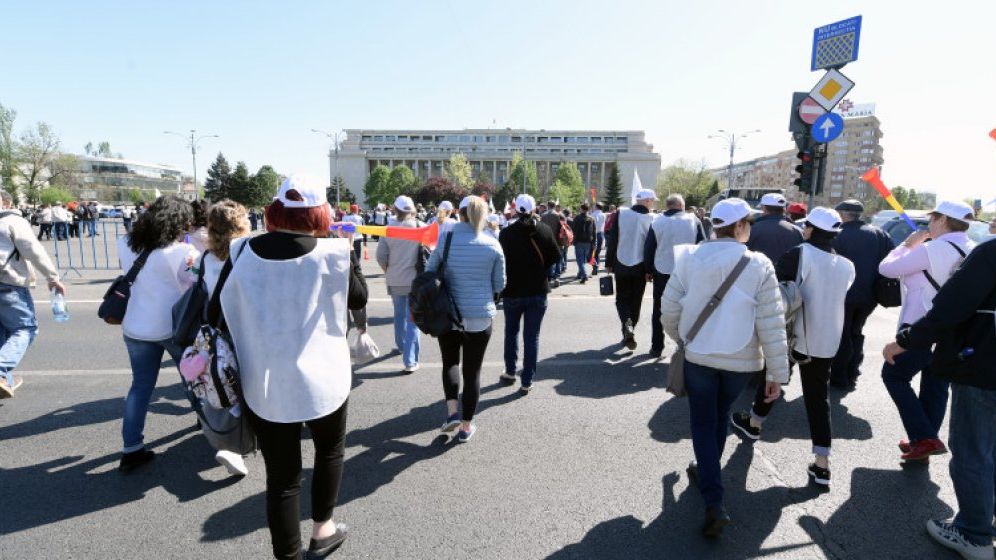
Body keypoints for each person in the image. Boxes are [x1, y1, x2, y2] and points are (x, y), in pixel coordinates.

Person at [220, 174, 368, 560]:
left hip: (264, 378)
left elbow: (214, 310)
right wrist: (349, 253)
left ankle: (287, 554)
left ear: (273, 210)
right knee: (329, 451)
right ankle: (323, 529)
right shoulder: (334, 251)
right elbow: (359, 298)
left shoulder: (241, 251)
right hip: (324, 376)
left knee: (282, 477)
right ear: (320, 213)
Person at [660, 197, 789, 537]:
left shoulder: (689, 257)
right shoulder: (760, 264)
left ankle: (713, 498)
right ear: (741, 226)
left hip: (699, 357)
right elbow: (772, 324)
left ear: (715, 225)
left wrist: (683, 338)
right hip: (741, 362)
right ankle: (708, 476)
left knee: (704, 423)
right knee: (720, 417)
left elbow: (669, 309)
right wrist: (777, 374)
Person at [882, 237, 996, 560]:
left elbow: (949, 307)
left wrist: (906, 340)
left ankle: (974, 534)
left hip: (984, 366)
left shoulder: (989, 253)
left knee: (974, 452)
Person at [730, 207, 854, 487]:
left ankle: (754, 423)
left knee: (773, 375)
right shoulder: (847, 264)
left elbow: (774, 289)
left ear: (810, 229)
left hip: (795, 334)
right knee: (818, 398)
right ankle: (822, 464)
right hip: (828, 339)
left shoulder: (800, 253)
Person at [878, 201, 976, 462]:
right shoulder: (974, 249)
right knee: (936, 384)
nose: (929, 223)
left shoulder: (931, 249)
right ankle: (923, 442)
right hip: (955, 331)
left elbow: (886, 268)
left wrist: (908, 244)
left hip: (920, 327)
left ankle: (924, 437)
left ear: (943, 220)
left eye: (932, 219)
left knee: (894, 375)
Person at [115, 195, 199, 472]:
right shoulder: (182, 253)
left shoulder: (124, 243)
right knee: (193, 378)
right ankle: (207, 424)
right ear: (177, 222)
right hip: (173, 327)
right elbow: (195, 285)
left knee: (140, 388)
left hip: (136, 326)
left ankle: (131, 447)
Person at [426, 195, 505, 442]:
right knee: (473, 373)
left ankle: (452, 413)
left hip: (448, 313)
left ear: (459, 213)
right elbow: (499, 283)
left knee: (450, 362)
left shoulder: (446, 238)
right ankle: (466, 427)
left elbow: (430, 270)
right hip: (480, 315)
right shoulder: (492, 243)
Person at [194, 199, 253, 476]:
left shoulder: (206, 258)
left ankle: (227, 440)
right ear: (241, 224)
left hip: (216, 328)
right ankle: (235, 447)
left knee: (222, 384)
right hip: (243, 327)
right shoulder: (246, 253)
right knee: (245, 386)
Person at [0, 190, 66, 398]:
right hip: (7, 281)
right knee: (25, 328)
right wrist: (52, 277)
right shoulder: (11, 220)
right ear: (7, 202)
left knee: (2, 331)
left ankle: (6, 380)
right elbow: (32, 248)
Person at [830, 199, 894, 390]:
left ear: (842, 215)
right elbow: (891, 261)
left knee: (842, 335)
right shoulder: (879, 233)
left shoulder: (837, 234)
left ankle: (839, 377)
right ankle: (853, 373)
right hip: (870, 296)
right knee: (856, 332)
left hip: (843, 295)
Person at [498, 194, 560, 393]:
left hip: (513, 290)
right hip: (537, 289)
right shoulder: (545, 230)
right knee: (532, 336)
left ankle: (510, 371)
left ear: (516, 209)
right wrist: (540, 269)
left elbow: (501, 262)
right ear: (534, 209)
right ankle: (527, 380)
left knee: (511, 332)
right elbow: (555, 256)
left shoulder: (506, 233)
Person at [644, 194, 704, 358]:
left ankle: (657, 347)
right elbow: (703, 245)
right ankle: (686, 345)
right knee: (688, 309)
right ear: (681, 206)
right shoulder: (694, 220)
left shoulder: (657, 221)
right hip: (688, 272)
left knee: (659, 309)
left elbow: (649, 248)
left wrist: (648, 270)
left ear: (668, 206)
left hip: (662, 271)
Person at [605, 188, 657, 350]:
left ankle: (627, 326)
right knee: (636, 300)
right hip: (641, 266)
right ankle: (630, 326)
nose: (653, 204)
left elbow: (612, 239)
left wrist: (608, 262)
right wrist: (650, 270)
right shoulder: (653, 218)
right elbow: (652, 247)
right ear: (647, 201)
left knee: (621, 298)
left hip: (621, 262)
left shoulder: (621, 213)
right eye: (653, 201)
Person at [376, 195, 423, 374]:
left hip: (395, 279)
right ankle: (410, 360)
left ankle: (401, 345)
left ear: (395, 209)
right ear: (412, 210)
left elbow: (380, 256)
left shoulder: (388, 229)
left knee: (399, 314)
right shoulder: (420, 227)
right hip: (415, 280)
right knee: (413, 320)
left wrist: (389, 270)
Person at [746, 192, 802, 264]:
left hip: (759, 273)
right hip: (788, 274)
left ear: (764, 208)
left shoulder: (751, 229)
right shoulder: (798, 231)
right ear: (784, 209)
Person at [540, 201, 563, 284]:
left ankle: (550, 276)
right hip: (557, 239)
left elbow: (541, 228)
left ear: (548, 206)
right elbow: (562, 227)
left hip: (546, 239)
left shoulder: (543, 215)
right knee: (558, 258)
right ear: (554, 206)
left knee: (549, 258)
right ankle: (557, 276)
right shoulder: (558, 215)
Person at [571, 204, 595, 283]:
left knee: (579, 259)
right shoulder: (591, 218)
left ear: (581, 209)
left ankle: (584, 274)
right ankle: (580, 273)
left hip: (579, 241)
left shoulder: (577, 218)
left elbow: (573, 229)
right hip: (588, 241)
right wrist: (594, 242)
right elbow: (594, 231)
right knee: (583, 259)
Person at [591, 203, 607, 274]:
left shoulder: (593, 214)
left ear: (596, 207)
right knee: (597, 253)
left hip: (594, 234)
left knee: (592, 253)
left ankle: (595, 265)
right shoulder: (603, 215)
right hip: (601, 234)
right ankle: (596, 266)